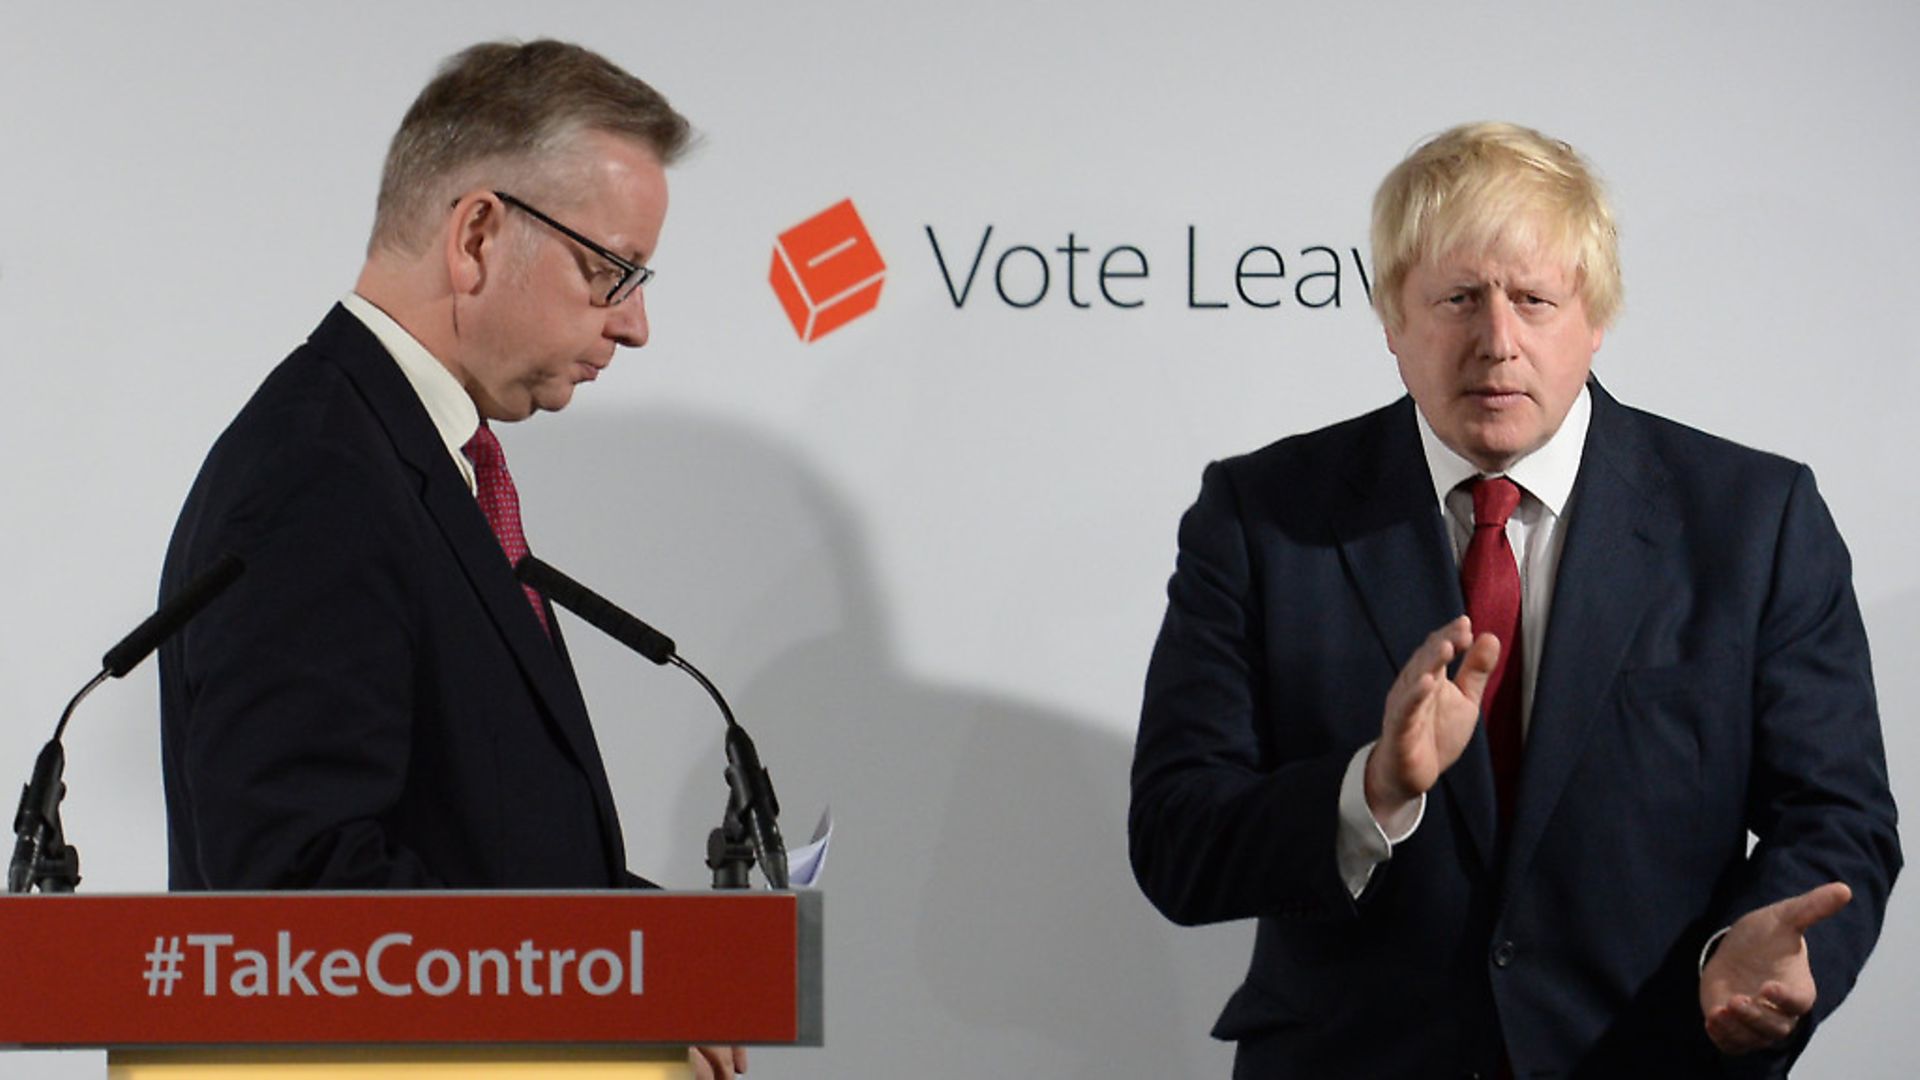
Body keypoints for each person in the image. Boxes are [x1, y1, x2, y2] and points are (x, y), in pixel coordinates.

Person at [1129, 121, 1900, 1076]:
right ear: (1391, 319)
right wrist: (1371, 789)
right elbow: (1177, 838)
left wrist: (1749, 956)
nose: (1498, 342)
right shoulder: (1262, 517)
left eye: (1534, 299)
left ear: (1596, 315)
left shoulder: (1754, 520)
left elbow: (1837, 816)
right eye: (1457, 298)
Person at [156, 40, 744, 1079]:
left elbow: (474, 837)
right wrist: (600, 1014)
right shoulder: (320, 472)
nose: (636, 323)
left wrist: (662, 961)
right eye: (609, 270)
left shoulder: (398, 452)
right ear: (478, 233)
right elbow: (299, 893)